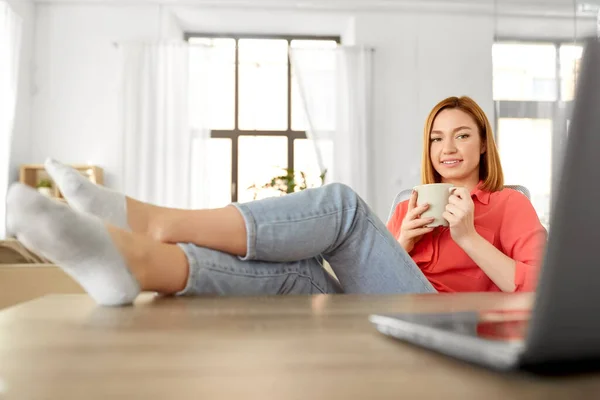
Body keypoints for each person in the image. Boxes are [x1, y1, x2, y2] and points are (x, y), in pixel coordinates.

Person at [6, 96, 547, 306]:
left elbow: (536, 290)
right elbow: (378, 273)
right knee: (301, 272)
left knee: (342, 207)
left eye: (461, 136)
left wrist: (469, 237)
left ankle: (149, 222)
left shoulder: (509, 206)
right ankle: (141, 265)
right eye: (436, 137)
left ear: (483, 144)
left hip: (447, 320)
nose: (447, 147)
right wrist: (400, 241)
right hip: (389, 312)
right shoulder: (411, 207)